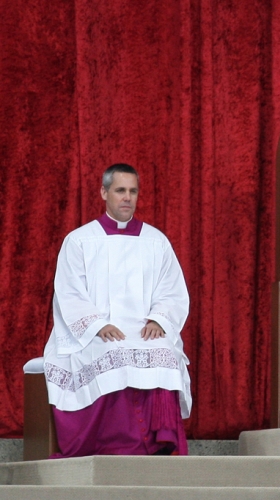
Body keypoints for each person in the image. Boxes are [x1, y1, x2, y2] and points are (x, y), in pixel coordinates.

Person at [42, 163, 191, 458]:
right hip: (92, 332)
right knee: (110, 352)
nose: (127, 198)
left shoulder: (156, 242)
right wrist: (96, 324)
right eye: (120, 190)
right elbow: (69, 292)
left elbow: (171, 289)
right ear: (104, 192)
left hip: (142, 328)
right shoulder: (80, 241)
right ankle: (119, 446)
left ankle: (161, 443)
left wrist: (159, 319)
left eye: (133, 191)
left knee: (164, 352)